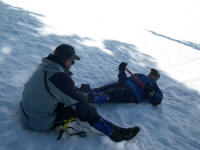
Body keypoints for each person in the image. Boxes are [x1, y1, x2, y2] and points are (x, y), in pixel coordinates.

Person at [19, 44, 140, 142]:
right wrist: (83, 93)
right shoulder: (58, 77)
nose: (72, 64)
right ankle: (116, 134)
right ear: (65, 60)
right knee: (86, 109)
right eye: (72, 61)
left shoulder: (45, 66)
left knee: (73, 99)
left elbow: (61, 90)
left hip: (27, 110)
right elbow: (80, 100)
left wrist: (74, 90)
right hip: (38, 121)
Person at [89, 62, 163, 105]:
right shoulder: (139, 75)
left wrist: (152, 93)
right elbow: (122, 79)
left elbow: (157, 100)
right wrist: (122, 70)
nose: (151, 74)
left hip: (133, 93)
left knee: (112, 93)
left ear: (156, 79)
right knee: (104, 88)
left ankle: (89, 98)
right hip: (124, 84)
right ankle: (86, 92)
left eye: (154, 74)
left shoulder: (154, 86)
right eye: (151, 72)